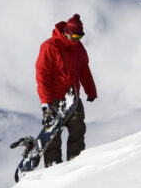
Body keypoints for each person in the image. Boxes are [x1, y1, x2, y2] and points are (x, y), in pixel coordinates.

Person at [35, 13, 97, 167]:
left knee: (78, 131)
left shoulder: (78, 48)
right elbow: (42, 75)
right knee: (53, 137)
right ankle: (53, 167)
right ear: (67, 31)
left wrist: (91, 91)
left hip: (72, 98)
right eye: (75, 35)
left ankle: (76, 164)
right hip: (54, 100)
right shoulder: (50, 46)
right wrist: (46, 102)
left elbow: (84, 70)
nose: (77, 40)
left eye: (80, 36)